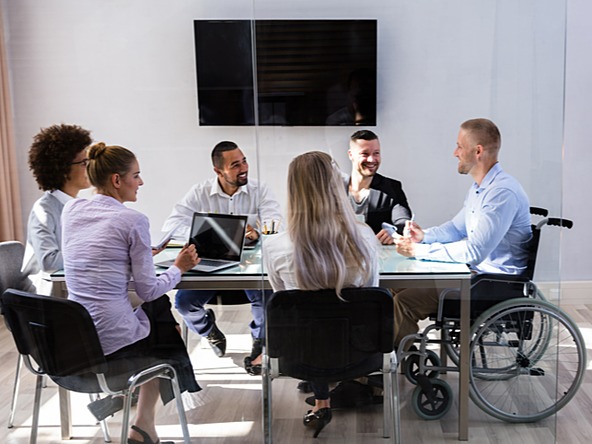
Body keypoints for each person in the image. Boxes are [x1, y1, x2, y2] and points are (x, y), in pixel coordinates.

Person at [62, 142, 201, 444]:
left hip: (76, 336)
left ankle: (137, 416)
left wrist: (135, 256)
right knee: (164, 322)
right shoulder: (133, 220)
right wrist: (180, 267)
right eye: (136, 176)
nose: (141, 182)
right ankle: (142, 423)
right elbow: (148, 290)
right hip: (112, 341)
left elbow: (95, 257)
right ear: (116, 180)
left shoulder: (71, 209)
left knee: (161, 315)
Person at [263, 151, 380, 437]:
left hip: (298, 355)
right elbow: (373, 293)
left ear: (293, 189)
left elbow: (283, 303)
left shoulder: (275, 247)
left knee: (310, 327)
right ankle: (330, 396)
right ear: (335, 188)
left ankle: (321, 400)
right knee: (331, 326)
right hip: (361, 354)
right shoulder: (364, 238)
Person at [393, 118, 532, 347]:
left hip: (491, 285)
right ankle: (398, 358)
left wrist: (418, 251)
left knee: (405, 302)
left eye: (459, 146)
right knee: (397, 287)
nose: (454, 153)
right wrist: (424, 236)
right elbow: (457, 228)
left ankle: (397, 368)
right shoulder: (480, 188)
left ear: (477, 151)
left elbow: (474, 251)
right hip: (476, 276)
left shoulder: (501, 193)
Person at [162, 141, 282, 372]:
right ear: (219, 171)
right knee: (184, 303)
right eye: (235, 165)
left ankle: (260, 341)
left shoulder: (260, 190)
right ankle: (209, 331)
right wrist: (208, 235)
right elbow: (172, 225)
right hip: (210, 262)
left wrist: (257, 233)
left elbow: (275, 225)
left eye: (244, 160)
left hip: (250, 265)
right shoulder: (200, 192)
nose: (244, 168)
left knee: (266, 298)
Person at [21, 123, 92, 295]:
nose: (90, 167)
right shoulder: (43, 210)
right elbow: (49, 261)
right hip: (45, 295)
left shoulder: (79, 206)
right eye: (84, 162)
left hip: (69, 286)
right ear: (63, 168)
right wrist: (95, 255)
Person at [345, 130, 412, 245]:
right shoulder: (334, 189)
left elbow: (403, 222)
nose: (371, 159)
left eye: (376, 153)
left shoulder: (391, 188)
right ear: (351, 155)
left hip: (379, 256)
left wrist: (393, 232)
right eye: (365, 154)